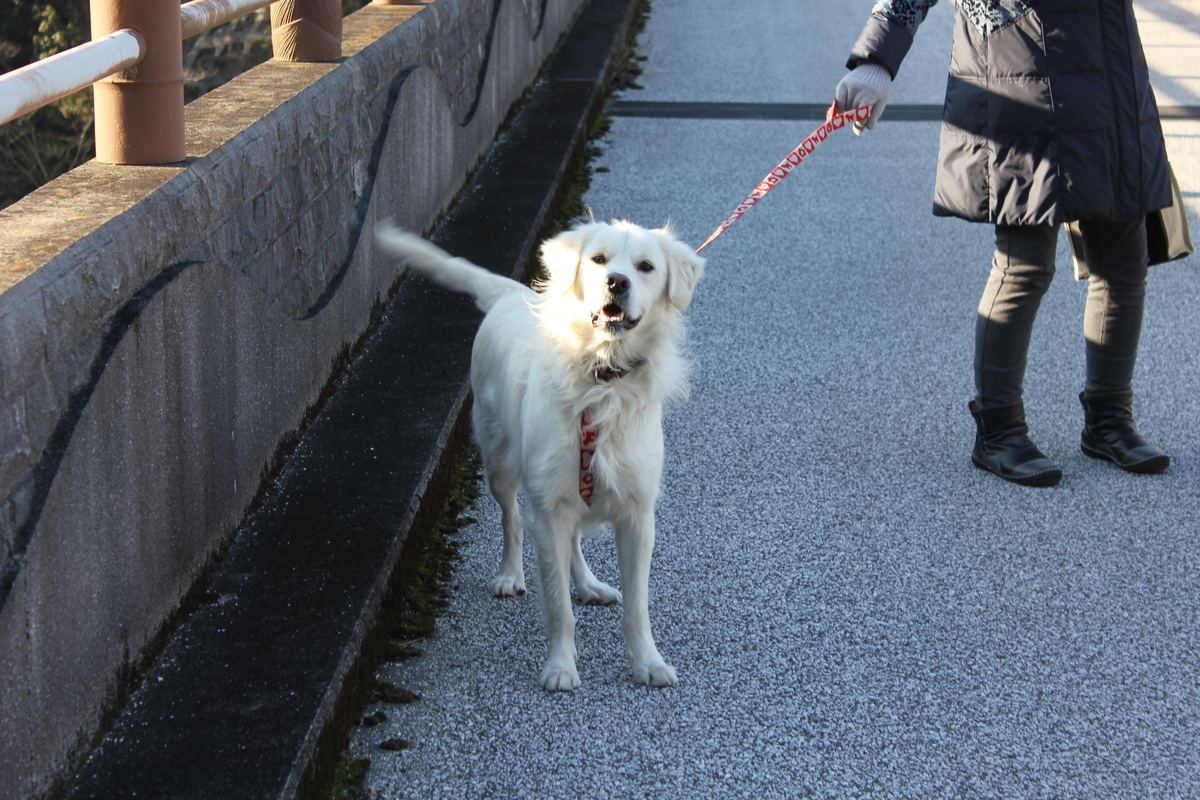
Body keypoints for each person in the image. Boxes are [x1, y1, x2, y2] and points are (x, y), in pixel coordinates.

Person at [836, 0, 1174, 487]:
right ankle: (999, 430)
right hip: (1022, 71)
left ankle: (1110, 418)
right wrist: (876, 63)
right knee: (1024, 266)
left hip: (1111, 68)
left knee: (1123, 262)